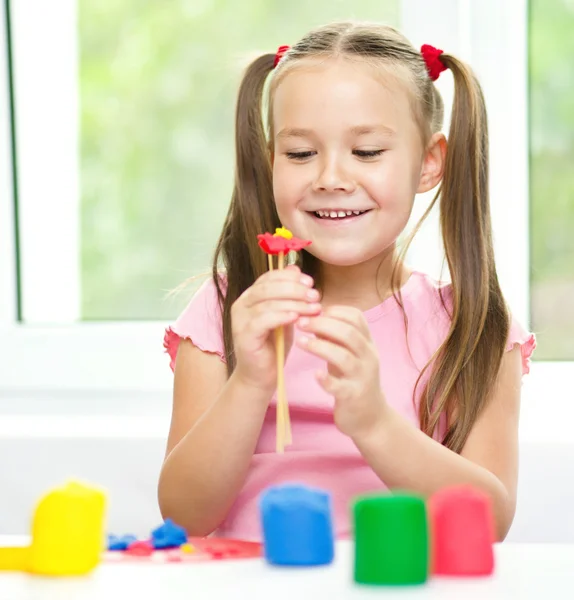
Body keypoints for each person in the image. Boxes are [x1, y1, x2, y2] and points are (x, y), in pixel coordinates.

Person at [158, 21, 536, 542]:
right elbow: (183, 515)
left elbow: (488, 524)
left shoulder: (477, 331)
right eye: (299, 154)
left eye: (367, 152)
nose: (331, 177)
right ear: (271, 162)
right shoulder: (227, 311)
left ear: (429, 163)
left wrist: (374, 421)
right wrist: (250, 381)